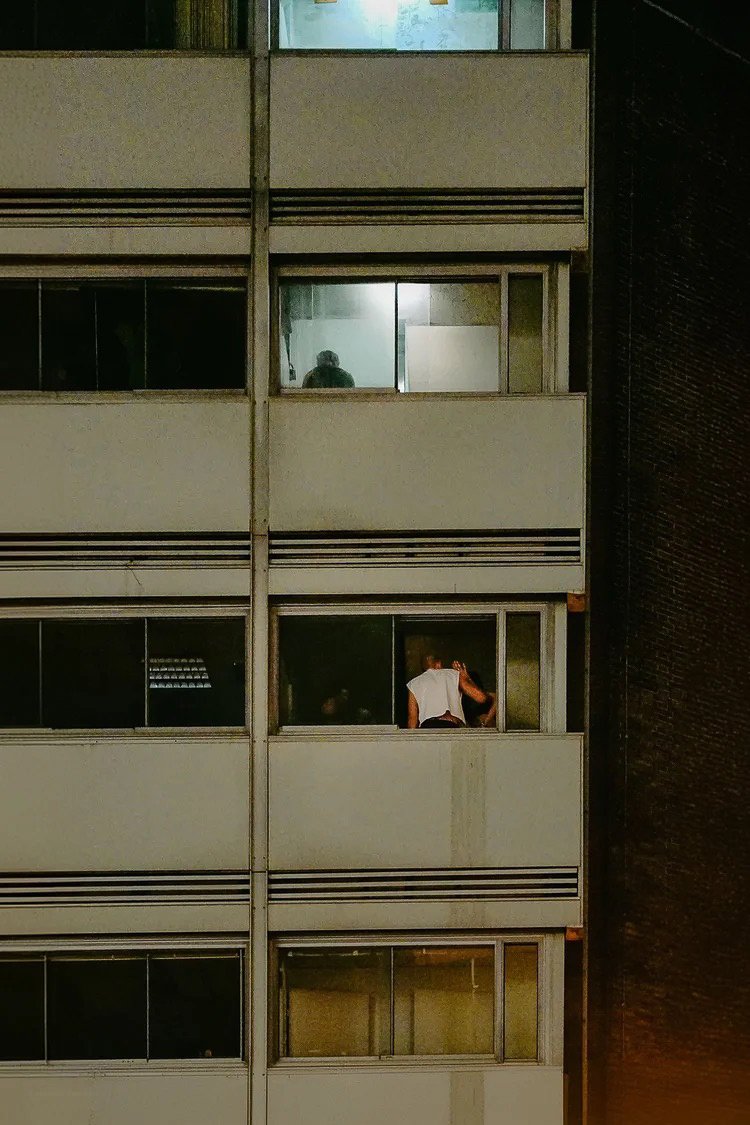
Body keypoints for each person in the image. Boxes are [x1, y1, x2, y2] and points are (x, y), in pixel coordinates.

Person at [406, 655, 489, 729]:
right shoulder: (454, 674)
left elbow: (412, 719)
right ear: (438, 663)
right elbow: (481, 698)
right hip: (450, 726)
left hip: (427, 728)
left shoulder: (414, 683)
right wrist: (467, 678)